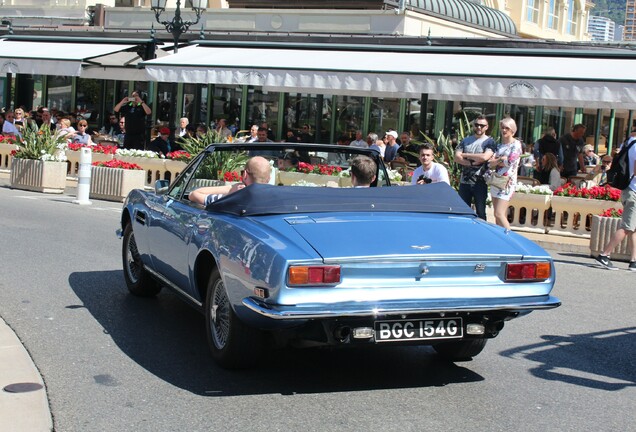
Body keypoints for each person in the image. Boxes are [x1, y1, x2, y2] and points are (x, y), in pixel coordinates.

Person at [594, 134, 636, 271]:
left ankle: (634, 260)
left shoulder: (629, 142)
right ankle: (604, 255)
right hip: (633, 190)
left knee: (633, 228)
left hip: (628, 189)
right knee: (627, 227)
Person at [453, 115, 496, 220]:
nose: (479, 127)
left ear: (487, 127)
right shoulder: (465, 141)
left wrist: (465, 155)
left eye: (482, 125)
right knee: (463, 212)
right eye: (476, 125)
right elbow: (456, 157)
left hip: (480, 182)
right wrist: (472, 163)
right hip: (465, 181)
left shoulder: (489, 142)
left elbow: (485, 157)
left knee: (481, 212)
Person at [189, 156, 272, 206]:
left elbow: (193, 194)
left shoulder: (230, 199)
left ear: (245, 175)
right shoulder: (276, 201)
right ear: (269, 178)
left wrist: (230, 189)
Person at [490, 117, 523, 229]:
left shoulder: (516, 144)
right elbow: (490, 163)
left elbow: (510, 161)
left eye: (507, 128)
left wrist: (498, 160)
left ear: (512, 130)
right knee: (498, 215)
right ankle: (501, 241)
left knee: (499, 213)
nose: (504, 130)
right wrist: (501, 159)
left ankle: (510, 239)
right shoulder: (499, 146)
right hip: (496, 181)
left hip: (507, 183)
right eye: (502, 128)